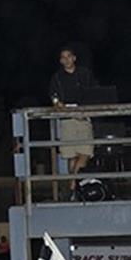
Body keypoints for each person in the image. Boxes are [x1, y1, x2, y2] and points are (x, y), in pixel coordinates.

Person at [48, 45, 97, 197]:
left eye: (69, 56)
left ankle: (72, 184)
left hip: (83, 118)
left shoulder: (85, 74)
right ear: (60, 60)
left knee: (86, 152)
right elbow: (54, 97)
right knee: (71, 155)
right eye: (63, 57)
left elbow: (95, 92)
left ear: (74, 58)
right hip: (67, 119)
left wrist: (87, 109)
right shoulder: (57, 77)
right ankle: (74, 188)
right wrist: (57, 103)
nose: (66, 60)